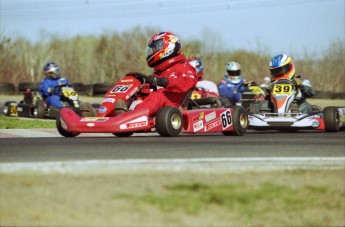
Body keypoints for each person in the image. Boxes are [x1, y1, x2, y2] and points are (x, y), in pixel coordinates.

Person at [119, 31, 198, 117]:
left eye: (154, 49)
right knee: (133, 94)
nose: (151, 52)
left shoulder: (184, 67)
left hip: (174, 106)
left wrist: (164, 82)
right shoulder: (159, 73)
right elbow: (149, 90)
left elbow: (188, 83)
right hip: (158, 108)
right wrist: (139, 90)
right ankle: (111, 112)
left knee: (157, 96)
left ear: (168, 48)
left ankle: (131, 116)